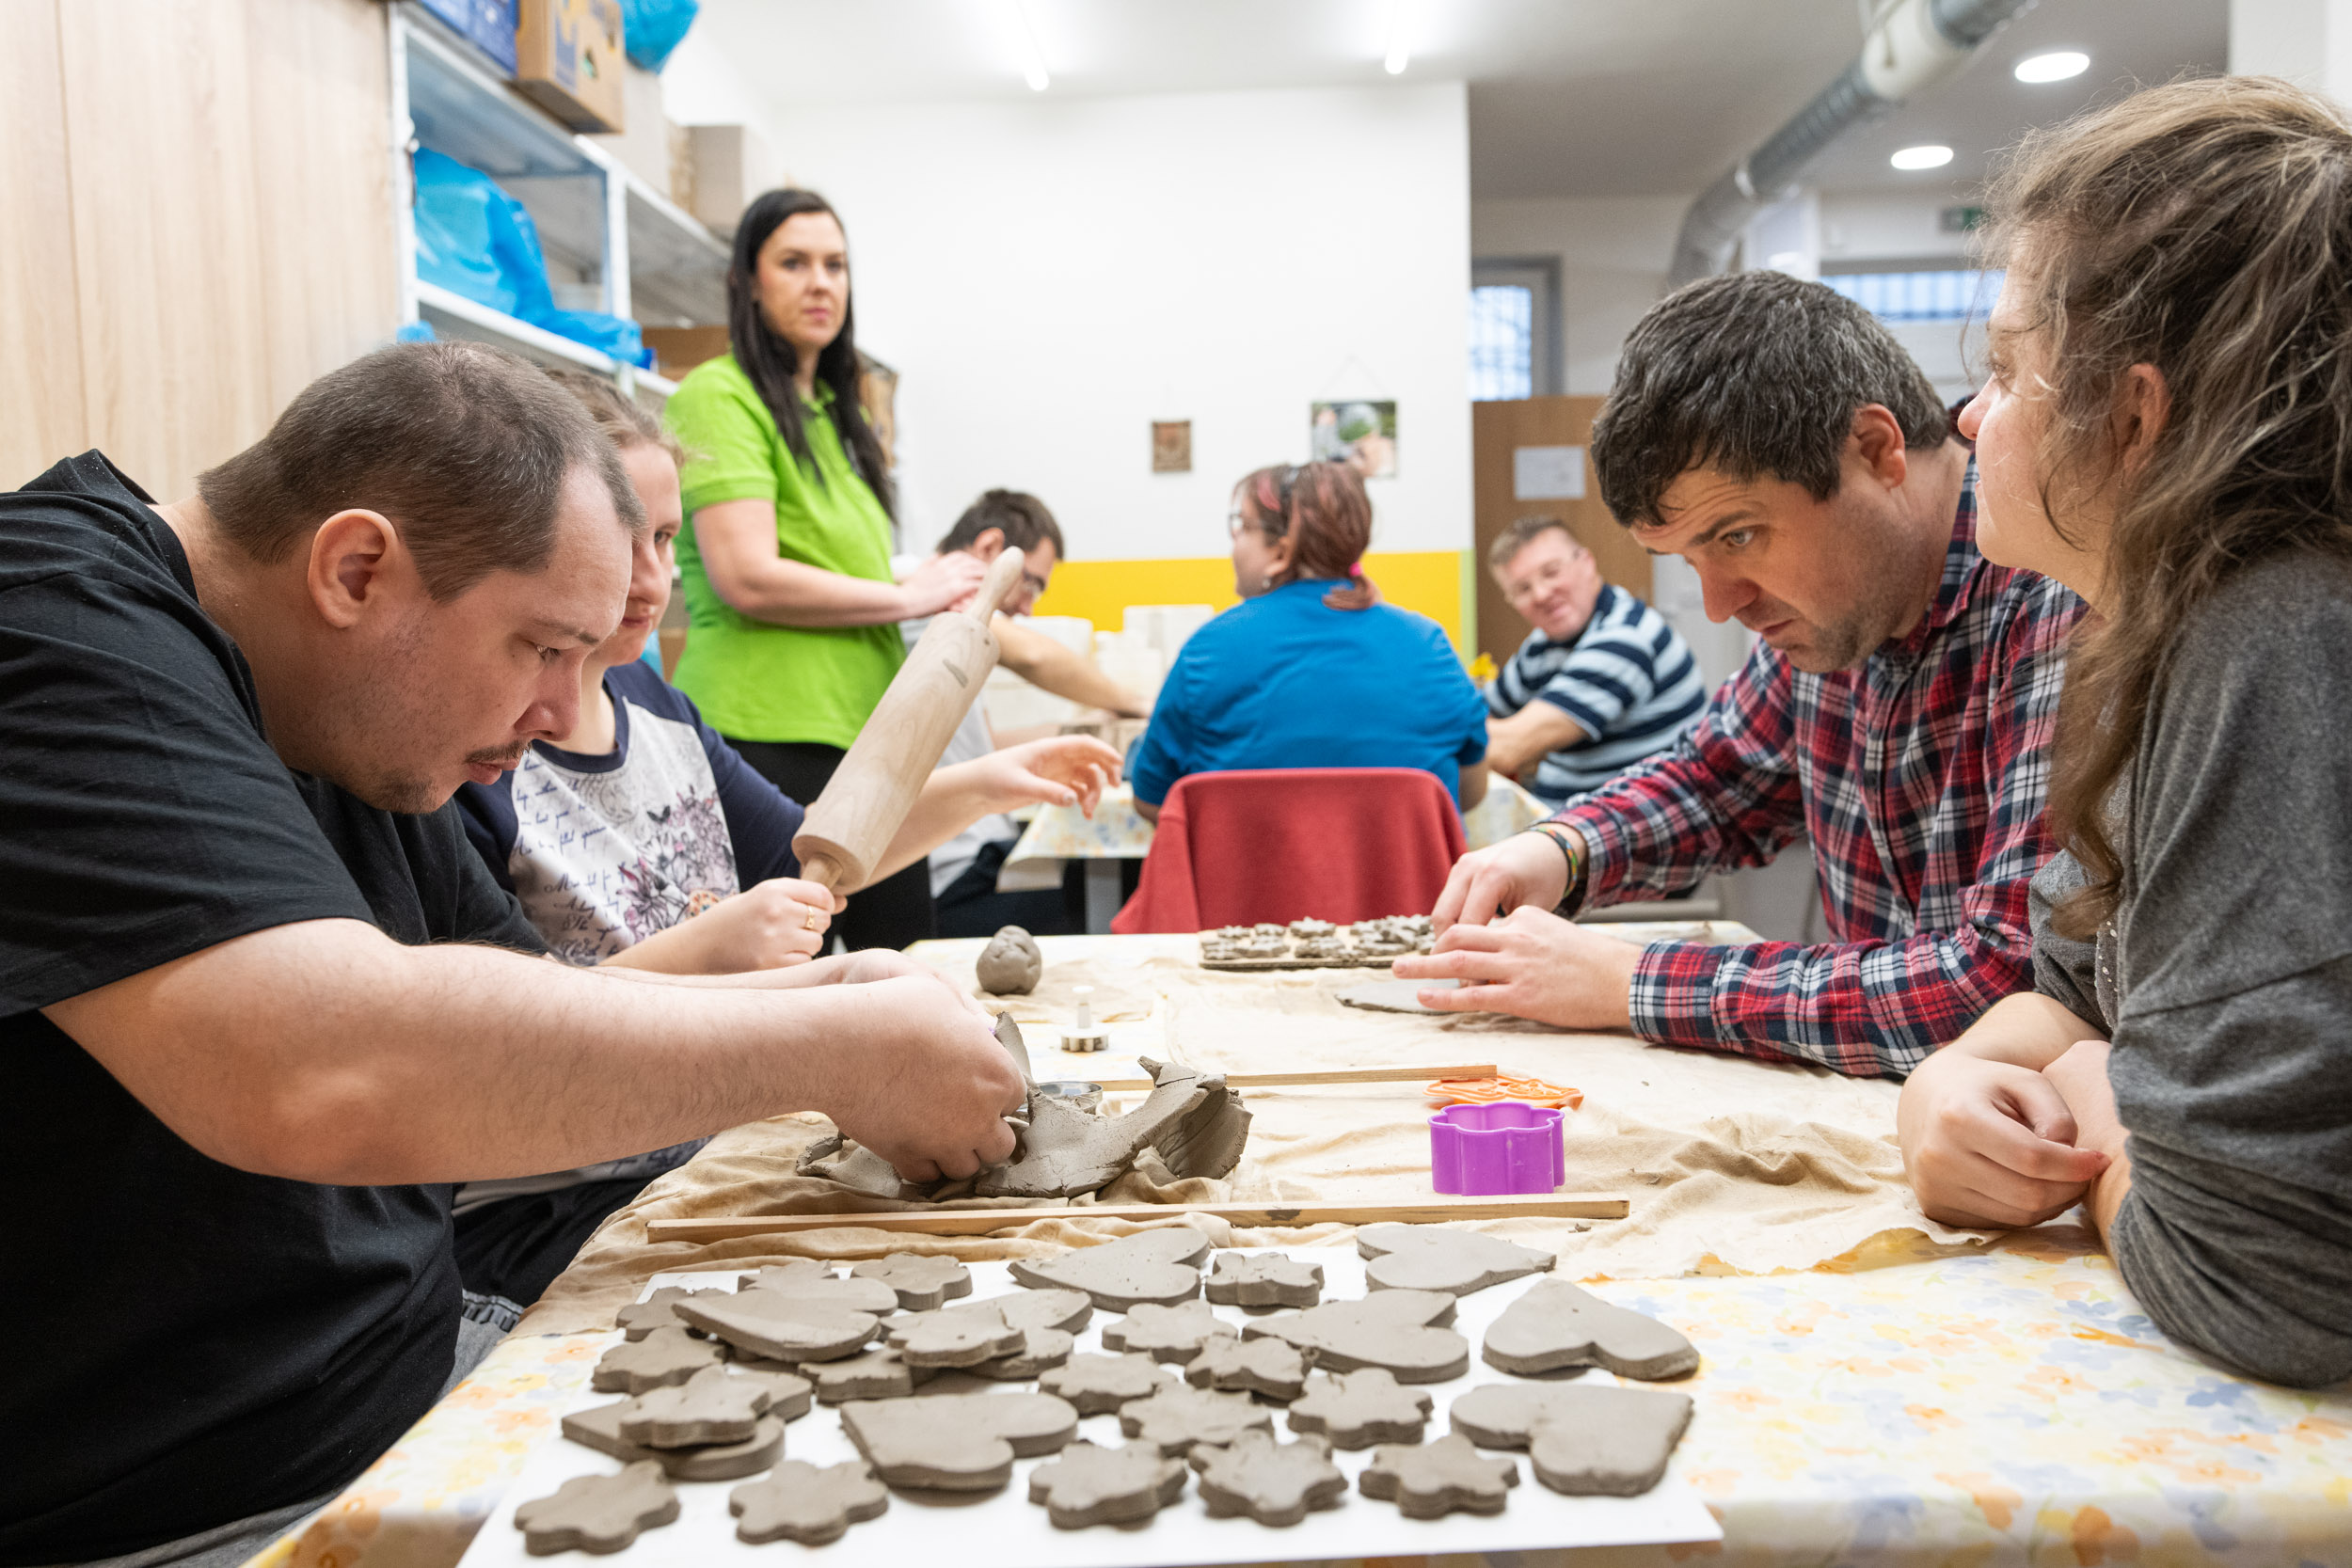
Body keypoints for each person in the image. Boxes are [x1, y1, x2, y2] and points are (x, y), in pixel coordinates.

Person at [0, 341, 1024, 1567]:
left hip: (431, 1372)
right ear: (357, 568)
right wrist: (830, 1044)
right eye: (542, 648)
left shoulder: (343, 708)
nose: (555, 713)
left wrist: (838, 985)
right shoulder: (51, 631)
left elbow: (537, 1019)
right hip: (190, 1509)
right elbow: (321, 1067)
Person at [448, 374, 1118, 1324]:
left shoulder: (658, 707)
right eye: (622, 539)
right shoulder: (475, 755)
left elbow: (815, 848)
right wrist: (718, 946)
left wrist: (987, 781)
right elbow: (492, 1041)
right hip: (558, 1203)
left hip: (708, 1146)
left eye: (666, 538)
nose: (650, 575)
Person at [1896, 78, 2352, 1387]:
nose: (1972, 417)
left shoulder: (2279, 635)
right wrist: (1949, 1083)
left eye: (2003, 371)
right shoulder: (2159, 630)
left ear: (2135, 417)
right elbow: (2072, 988)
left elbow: (2260, 1280)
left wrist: (2091, 1089)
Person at [1399, 271, 2083, 1074]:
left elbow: (2003, 979)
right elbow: (1717, 778)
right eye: (1690, 559)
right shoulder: (1837, 606)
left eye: (1737, 536)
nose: (1721, 604)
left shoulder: (2055, 581)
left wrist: (1632, 980)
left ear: (1875, 450)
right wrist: (1564, 847)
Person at [663, 187, 978, 950]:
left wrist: (928, 583)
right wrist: (909, 596)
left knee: (903, 962)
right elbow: (747, 574)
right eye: (794, 263)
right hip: (765, 734)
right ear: (747, 281)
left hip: (870, 741)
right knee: (775, 978)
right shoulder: (718, 396)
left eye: (835, 265)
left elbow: (847, 566)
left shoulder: (840, 414)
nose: (820, 283)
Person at [1128, 460, 1488, 821]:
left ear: (1281, 551)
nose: (1235, 542)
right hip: (1402, 863)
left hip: (1256, 862)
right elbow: (1468, 793)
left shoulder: (1208, 652)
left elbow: (1151, 800)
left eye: (1243, 527)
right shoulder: (1430, 647)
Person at [903, 488, 1149, 938]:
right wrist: (1137, 704)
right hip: (952, 875)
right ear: (990, 549)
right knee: (1123, 895)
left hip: (979, 853)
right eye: (1031, 583)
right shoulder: (919, 587)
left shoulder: (950, 641)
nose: (1027, 608)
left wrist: (1080, 731)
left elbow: (984, 747)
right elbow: (1034, 656)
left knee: (1112, 883)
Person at [1480, 516, 1708, 809]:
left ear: (1587, 562)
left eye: (1551, 572)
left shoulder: (1625, 637)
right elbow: (1481, 711)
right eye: (1523, 589)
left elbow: (1507, 748)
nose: (1541, 594)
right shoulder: (1542, 645)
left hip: (1640, 824)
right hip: (1574, 816)